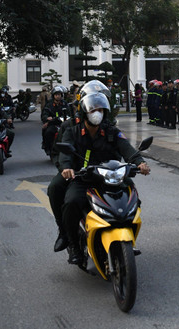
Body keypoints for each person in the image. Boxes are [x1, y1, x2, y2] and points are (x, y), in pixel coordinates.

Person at [59, 92, 150, 265]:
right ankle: (74, 246)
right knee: (71, 203)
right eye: (93, 110)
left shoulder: (111, 131)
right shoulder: (73, 131)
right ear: (85, 112)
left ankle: (128, 238)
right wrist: (67, 168)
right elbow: (65, 155)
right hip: (83, 178)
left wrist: (140, 162)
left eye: (100, 110)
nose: (97, 113)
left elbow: (126, 147)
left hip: (110, 176)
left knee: (133, 200)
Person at [46, 80, 113, 253]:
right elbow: (59, 152)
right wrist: (65, 168)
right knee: (55, 188)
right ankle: (64, 232)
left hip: (102, 171)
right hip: (74, 171)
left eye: (101, 103)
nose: (97, 109)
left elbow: (120, 146)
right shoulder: (69, 126)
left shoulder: (107, 125)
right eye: (93, 104)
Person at [41, 85, 69, 155]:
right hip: (53, 123)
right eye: (56, 95)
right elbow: (44, 113)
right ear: (53, 96)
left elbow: (70, 113)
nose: (58, 96)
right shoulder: (49, 104)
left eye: (59, 94)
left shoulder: (65, 103)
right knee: (48, 132)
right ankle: (47, 147)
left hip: (63, 123)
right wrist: (47, 118)